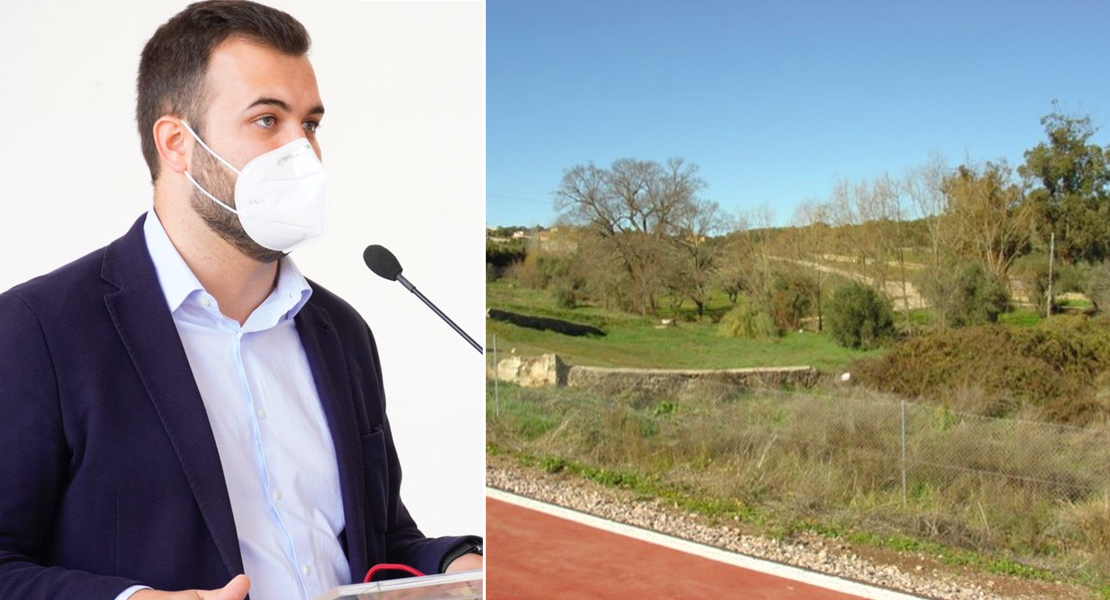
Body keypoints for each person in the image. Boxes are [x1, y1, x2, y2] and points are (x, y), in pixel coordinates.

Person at [0, 2, 482, 599]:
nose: (302, 153)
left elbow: (379, 540)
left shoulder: (342, 332)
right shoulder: (39, 328)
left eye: (310, 124)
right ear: (177, 143)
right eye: (266, 121)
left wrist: (463, 567)